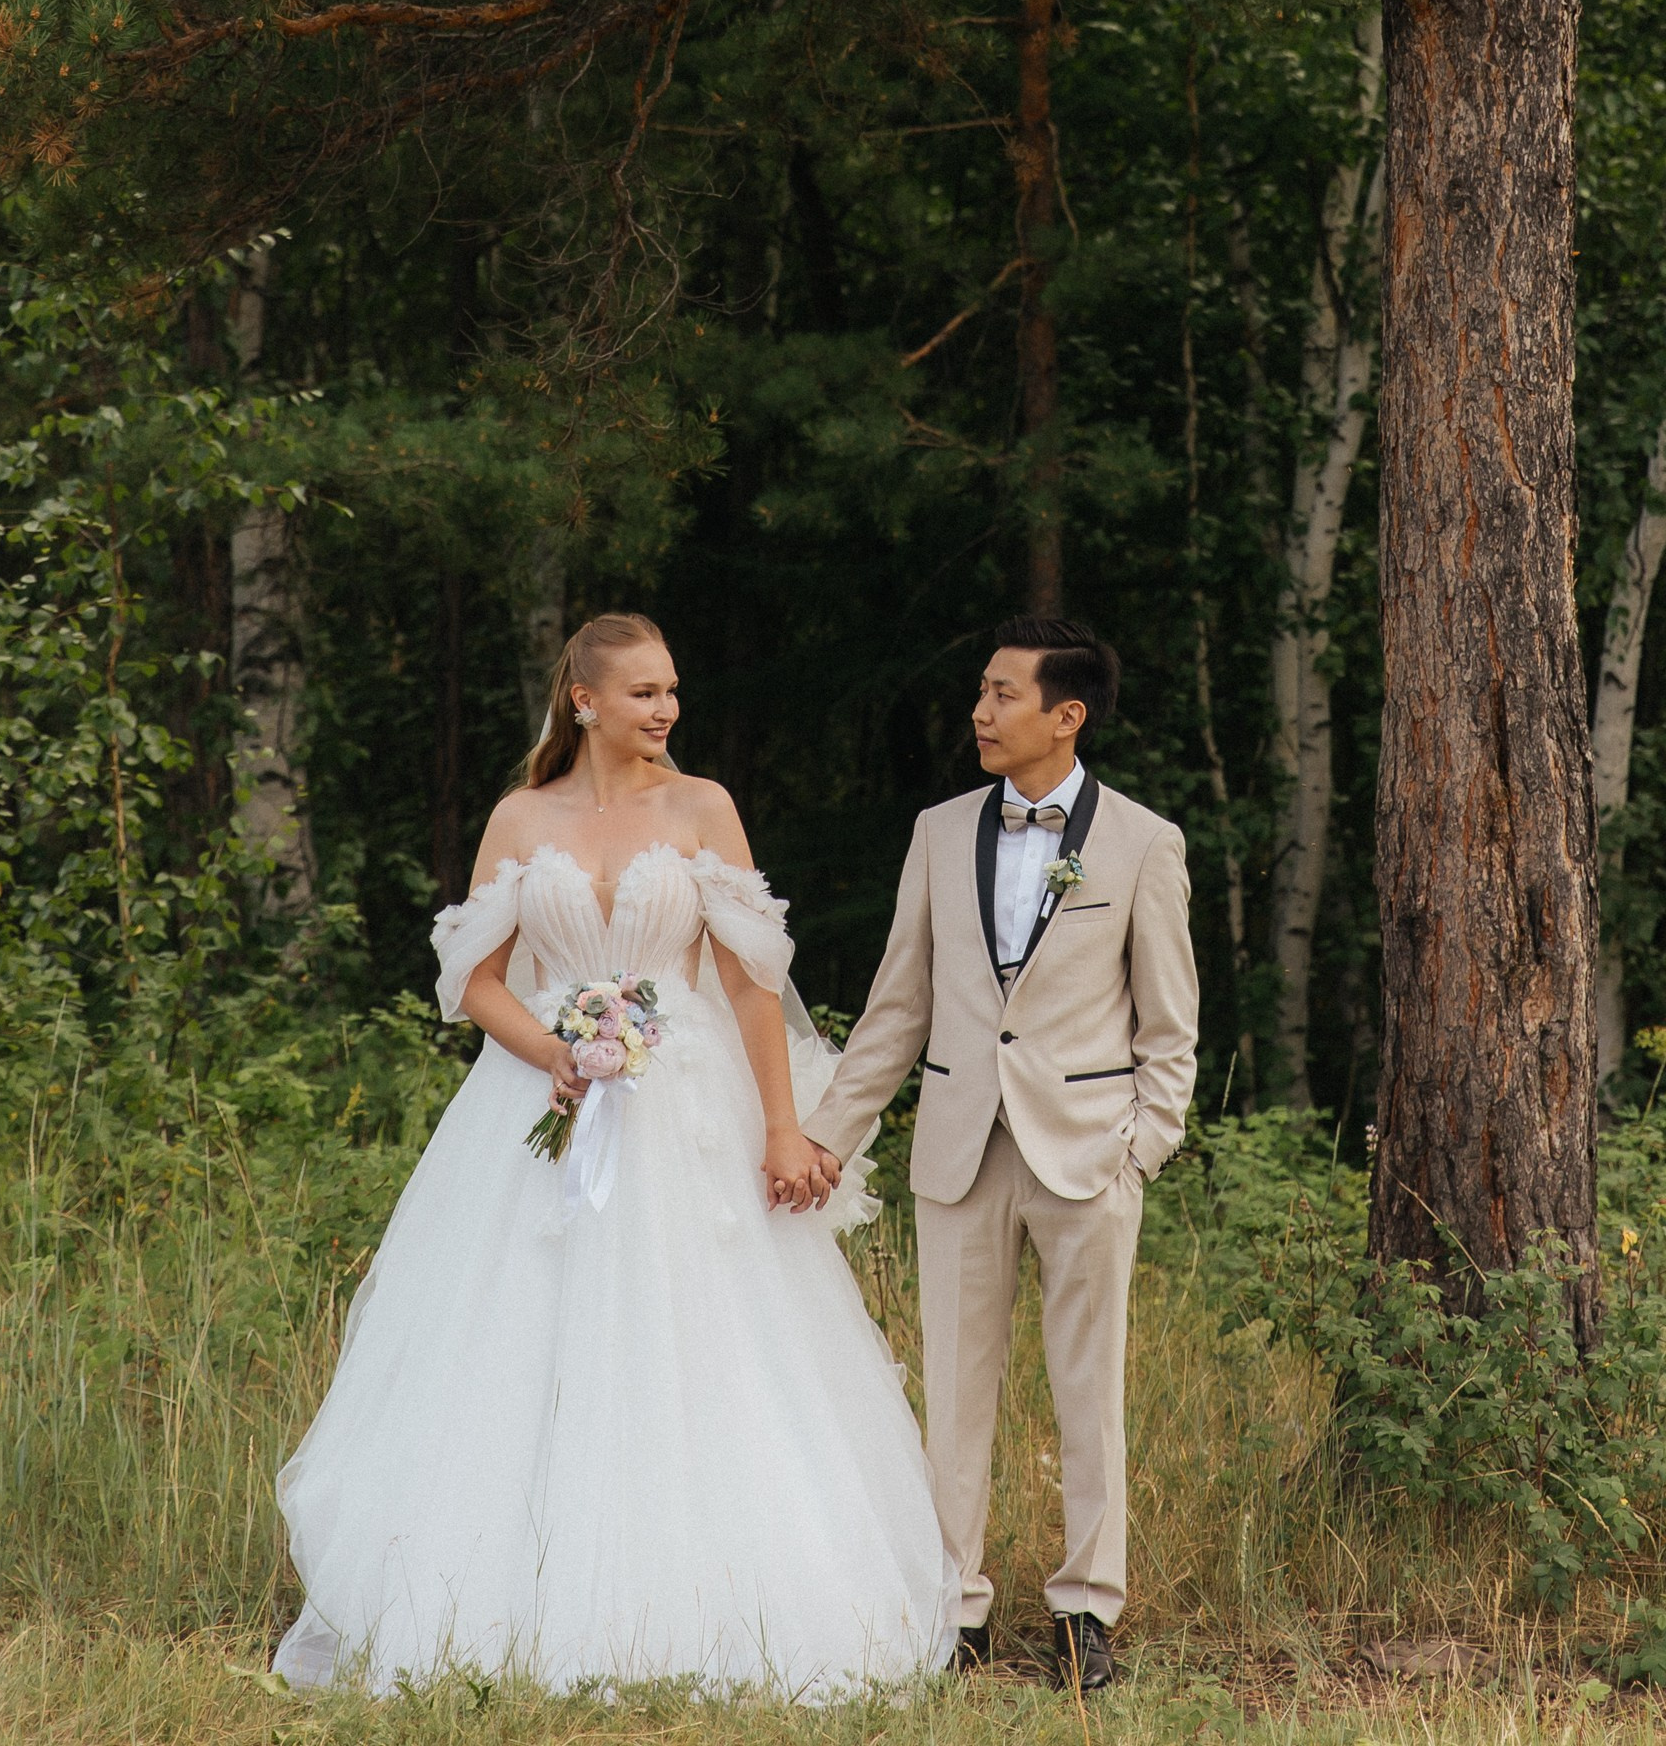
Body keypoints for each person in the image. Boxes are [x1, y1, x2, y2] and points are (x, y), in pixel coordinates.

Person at [272, 614, 960, 1697]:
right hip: (538, 1108)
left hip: (683, 1105)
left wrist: (785, 1126)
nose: (667, 709)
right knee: (513, 1339)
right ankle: (496, 1598)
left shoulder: (701, 807)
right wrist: (554, 1048)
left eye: (672, 689)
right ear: (582, 700)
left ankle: (707, 1600)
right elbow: (478, 979)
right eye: (644, 691)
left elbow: (745, 980)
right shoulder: (520, 814)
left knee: (694, 1340)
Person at [804, 620, 1200, 1694]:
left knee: (1089, 1389)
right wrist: (823, 1141)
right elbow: (897, 1006)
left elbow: (1170, 1026)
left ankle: (1083, 1612)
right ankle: (951, 1605)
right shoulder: (936, 831)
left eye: (1000, 694)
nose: (978, 712)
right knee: (954, 1387)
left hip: (1087, 1155)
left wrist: (1141, 1151)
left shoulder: (1140, 842)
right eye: (979, 692)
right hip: (957, 1145)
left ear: (1065, 714)